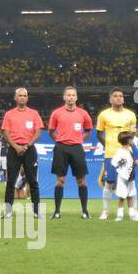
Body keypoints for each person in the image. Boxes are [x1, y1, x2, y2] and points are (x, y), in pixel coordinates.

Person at [48, 86, 93, 219]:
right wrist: (61, 140)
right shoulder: (56, 113)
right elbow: (51, 131)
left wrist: (79, 140)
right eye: (68, 95)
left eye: (73, 95)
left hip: (77, 148)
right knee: (60, 181)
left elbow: (89, 130)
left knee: (82, 181)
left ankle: (85, 211)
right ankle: (56, 212)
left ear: (76, 97)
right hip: (61, 148)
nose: (71, 97)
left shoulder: (83, 114)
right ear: (64, 97)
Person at [0, 87, 45, 219]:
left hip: (29, 149)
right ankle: (8, 211)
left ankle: (36, 211)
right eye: (19, 95)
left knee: (33, 181)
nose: (22, 98)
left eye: (24, 96)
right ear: (15, 98)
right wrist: (15, 146)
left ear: (27, 98)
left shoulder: (34, 114)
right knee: (10, 181)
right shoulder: (9, 114)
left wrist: (27, 145)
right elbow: (5, 132)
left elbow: (38, 131)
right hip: (13, 150)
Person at [97, 88, 138, 220]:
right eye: (115, 96)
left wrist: (133, 152)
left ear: (123, 99)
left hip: (127, 154)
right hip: (111, 154)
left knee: (131, 182)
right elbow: (99, 134)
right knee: (109, 182)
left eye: (121, 96)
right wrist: (107, 145)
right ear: (110, 99)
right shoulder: (104, 115)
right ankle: (105, 211)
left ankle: (134, 211)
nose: (118, 98)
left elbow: (132, 135)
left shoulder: (131, 115)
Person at [111, 131, 138, 221]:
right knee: (121, 196)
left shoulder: (130, 150)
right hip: (123, 177)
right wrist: (121, 162)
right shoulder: (120, 151)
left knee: (130, 195)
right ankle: (120, 215)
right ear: (127, 140)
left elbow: (131, 162)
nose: (132, 140)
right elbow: (114, 162)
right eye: (131, 139)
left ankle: (132, 214)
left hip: (130, 175)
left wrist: (135, 162)